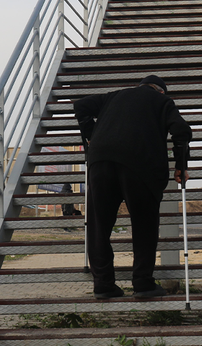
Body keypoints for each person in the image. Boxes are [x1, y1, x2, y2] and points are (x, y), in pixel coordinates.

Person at [74, 74, 192, 299]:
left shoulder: (114, 96)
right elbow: (181, 131)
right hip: (141, 165)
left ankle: (103, 285)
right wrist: (181, 165)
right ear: (160, 91)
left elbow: (81, 106)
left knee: (99, 226)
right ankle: (143, 284)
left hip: (101, 161)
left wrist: (92, 134)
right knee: (144, 225)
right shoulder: (161, 101)